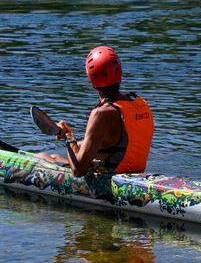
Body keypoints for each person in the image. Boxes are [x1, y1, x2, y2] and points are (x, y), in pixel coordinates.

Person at [38, 46, 154, 176]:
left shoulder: (102, 113)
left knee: (42, 157)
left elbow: (78, 171)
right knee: (54, 157)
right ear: (119, 72)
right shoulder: (141, 103)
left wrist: (68, 137)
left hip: (114, 181)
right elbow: (119, 143)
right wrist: (73, 139)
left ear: (92, 80)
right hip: (137, 175)